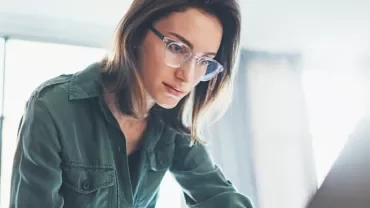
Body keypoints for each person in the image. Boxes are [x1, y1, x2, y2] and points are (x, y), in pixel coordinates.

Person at [10, 0, 253, 207]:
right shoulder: (52, 108)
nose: (188, 77)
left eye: (204, 61)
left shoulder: (171, 125)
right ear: (136, 33)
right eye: (177, 48)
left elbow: (218, 195)